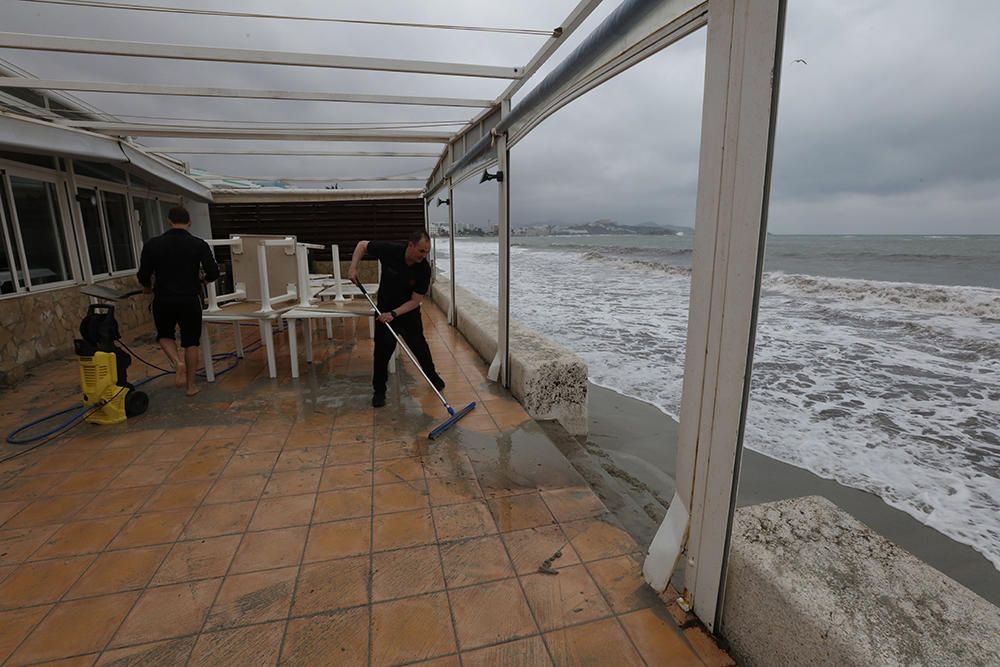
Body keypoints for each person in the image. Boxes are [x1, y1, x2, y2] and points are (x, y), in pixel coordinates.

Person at [348, 230, 445, 407]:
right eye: (421, 251)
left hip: (407, 313)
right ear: (410, 245)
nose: (424, 256)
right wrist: (353, 267)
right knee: (382, 353)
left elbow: (416, 301)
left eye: (427, 252)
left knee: (420, 348)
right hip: (384, 311)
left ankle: (433, 377)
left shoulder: (424, 269)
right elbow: (362, 244)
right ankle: (379, 391)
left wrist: (394, 314)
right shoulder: (390, 250)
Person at [137, 206, 219, 396]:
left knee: (165, 335)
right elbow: (213, 272)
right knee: (191, 342)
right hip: (189, 299)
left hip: (163, 299)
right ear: (189, 221)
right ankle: (191, 386)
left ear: (169, 221)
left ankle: (177, 362)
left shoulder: (152, 244)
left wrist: (147, 287)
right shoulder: (198, 244)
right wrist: (202, 281)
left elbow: (143, 274)